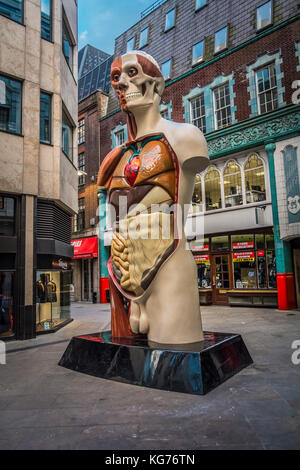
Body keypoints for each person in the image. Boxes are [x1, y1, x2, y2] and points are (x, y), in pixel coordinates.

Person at [97, 51, 209, 344]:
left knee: (175, 350)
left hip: (169, 268)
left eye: (131, 73)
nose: (121, 83)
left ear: (157, 85)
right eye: (115, 77)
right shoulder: (116, 157)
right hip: (125, 277)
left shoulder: (186, 137)